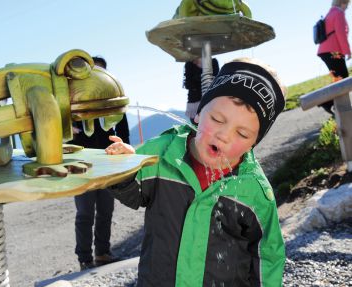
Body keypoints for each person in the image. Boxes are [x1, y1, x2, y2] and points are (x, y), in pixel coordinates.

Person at [106, 58, 286, 286]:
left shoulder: (253, 188)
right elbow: (133, 192)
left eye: (242, 134)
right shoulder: (163, 153)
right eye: (217, 119)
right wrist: (124, 165)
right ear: (199, 114)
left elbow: (267, 253)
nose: (224, 135)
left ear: (253, 144)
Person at [72, 56, 128, 270]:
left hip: (108, 159)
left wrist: (125, 154)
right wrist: (71, 134)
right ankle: (85, 259)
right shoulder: (74, 99)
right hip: (82, 162)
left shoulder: (113, 98)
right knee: (85, 212)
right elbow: (60, 129)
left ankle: (103, 254)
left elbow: (122, 128)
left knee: (106, 210)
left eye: (102, 72)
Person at [317, 0, 351, 115]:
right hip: (333, 51)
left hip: (326, 51)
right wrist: (348, 51)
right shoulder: (338, 13)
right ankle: (327, 102)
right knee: (343, 78)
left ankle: (334, 106)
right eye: (347, 5)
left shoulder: (330, 13)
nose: (347, 8)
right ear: (343, 3)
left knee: (339, 78)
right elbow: (341, 33)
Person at [183, 57, 219, 122]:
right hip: (195, 102)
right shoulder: (189, 64)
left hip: (210, 100)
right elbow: (188, 84)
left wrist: (198, 79)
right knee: (196, 125)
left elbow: (216, 80)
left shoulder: (213, 61)